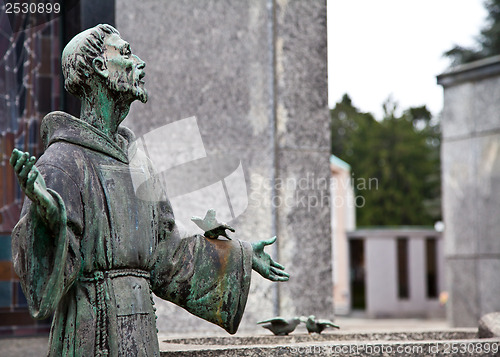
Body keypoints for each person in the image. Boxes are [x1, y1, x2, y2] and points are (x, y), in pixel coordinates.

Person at [10, 24, 288, 357]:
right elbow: (42, 282)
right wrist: (49, 216)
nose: (140, 62)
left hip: (140, 331)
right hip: (90, 334)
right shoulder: (62, 162)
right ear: (99, 68)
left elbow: (166, 258)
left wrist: (238, 256)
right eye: (126, 53)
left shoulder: (140, 164)